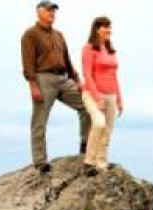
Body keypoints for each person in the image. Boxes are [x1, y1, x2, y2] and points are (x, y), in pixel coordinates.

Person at [21, 0, 90, 174]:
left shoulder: (59, 35)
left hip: (63, 78)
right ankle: (40, 162)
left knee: (88, 105)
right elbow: (28, 63)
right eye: (49, 10)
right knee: (39, 121)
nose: (53, 13)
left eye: (54, 10)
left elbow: (67, 60)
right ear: (39, 12)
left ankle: (85, 145)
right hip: (43, 79)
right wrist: (33, 86)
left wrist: (77, 79)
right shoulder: (30, 34)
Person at [81, 16, 123, 175]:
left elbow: (114, 76)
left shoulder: (110, 51)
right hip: (93, 94)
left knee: (108, 130)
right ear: (97, 29)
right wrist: (97, 97)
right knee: (99, 124)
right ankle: (89, 162)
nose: (108, 30)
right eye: (105, 27)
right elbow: (87, 74)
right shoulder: (89, 48)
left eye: (109, 26)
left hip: (111, 95)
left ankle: (101, 162)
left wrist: (119, 99)